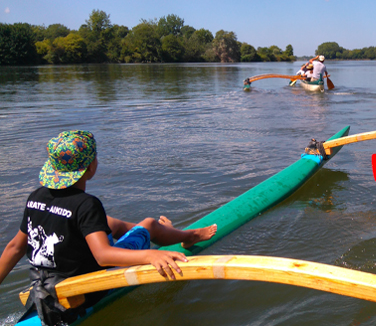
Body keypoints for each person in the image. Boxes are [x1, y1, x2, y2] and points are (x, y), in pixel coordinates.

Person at [0, 130, 217, 324]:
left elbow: (14, 248)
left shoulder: (35, 198)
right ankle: (188, 235)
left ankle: (167, 231)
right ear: (91, 167)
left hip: (44, 283)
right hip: (86, 290)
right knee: (149, 225)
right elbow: (103, 256)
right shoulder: (86, 204)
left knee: (107, 223)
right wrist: (151, 255)